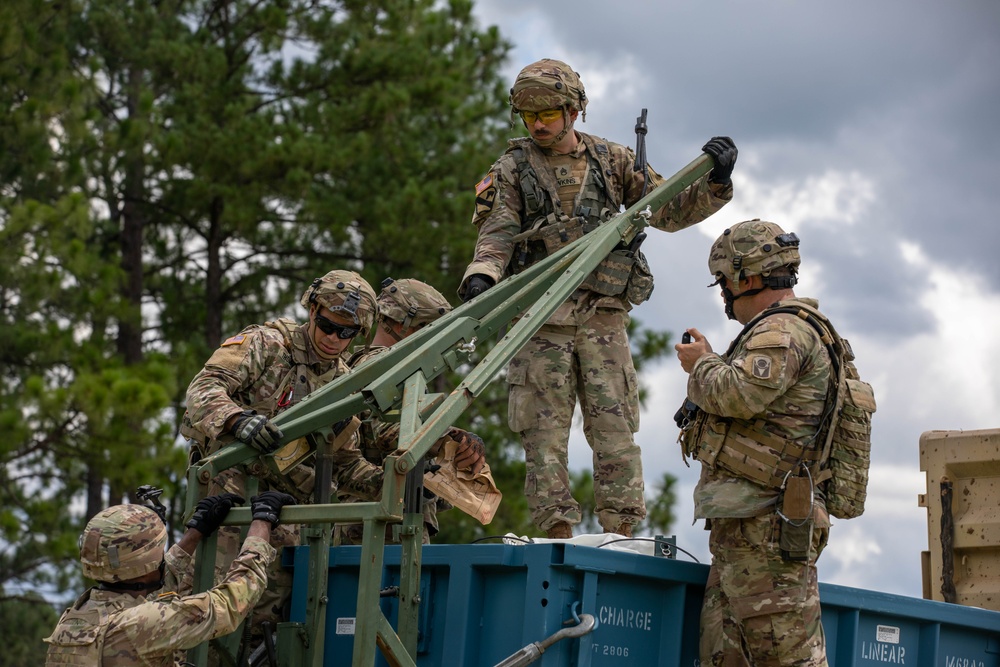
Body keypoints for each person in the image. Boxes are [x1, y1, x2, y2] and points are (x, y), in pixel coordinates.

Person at [459, 58, 736, 539]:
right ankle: (556, 535)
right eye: (530, 115)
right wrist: (483, 275)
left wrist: (714, 181)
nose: (539, 123)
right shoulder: (514, 168)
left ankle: (623, 535)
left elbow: (667, 209)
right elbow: (498, 231)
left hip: (602, 316)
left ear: (574, 110)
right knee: (542, 437)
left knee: (616, 431)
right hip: (539, 320)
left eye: (548, 112)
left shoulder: (612, 161)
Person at [179, 269, 385, 640]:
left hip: (287, 520)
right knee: (209, 619)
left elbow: (347, 464)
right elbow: (203, 388)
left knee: (267, 633)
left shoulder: (344, 386)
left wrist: (396, 480)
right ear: (312, 311)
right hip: (229, 511)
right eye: (327, 325)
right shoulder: (268, 345)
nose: (334, 338)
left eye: (346, 333)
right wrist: (237, 420)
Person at [675, 219, 843, 666]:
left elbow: (738, 393)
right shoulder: (785, 330)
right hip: (748, 533)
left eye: (725, 283)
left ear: (747, 279)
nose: (725, 295)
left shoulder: (783, 331)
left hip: (765, 534)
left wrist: (702, 364)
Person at [44, 491, 296, 666]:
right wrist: (262, 521)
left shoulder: (77, 616)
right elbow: (233, 600)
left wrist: (196, 532)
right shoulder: (142, 624)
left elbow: (148, 587)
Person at [336, 277, 486, 544]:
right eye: (426, 329)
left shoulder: (393, 370)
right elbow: (385, 427)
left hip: (392, 520)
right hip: (378, 527)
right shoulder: (381, 368)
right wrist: (446, 439)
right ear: (398, 324)